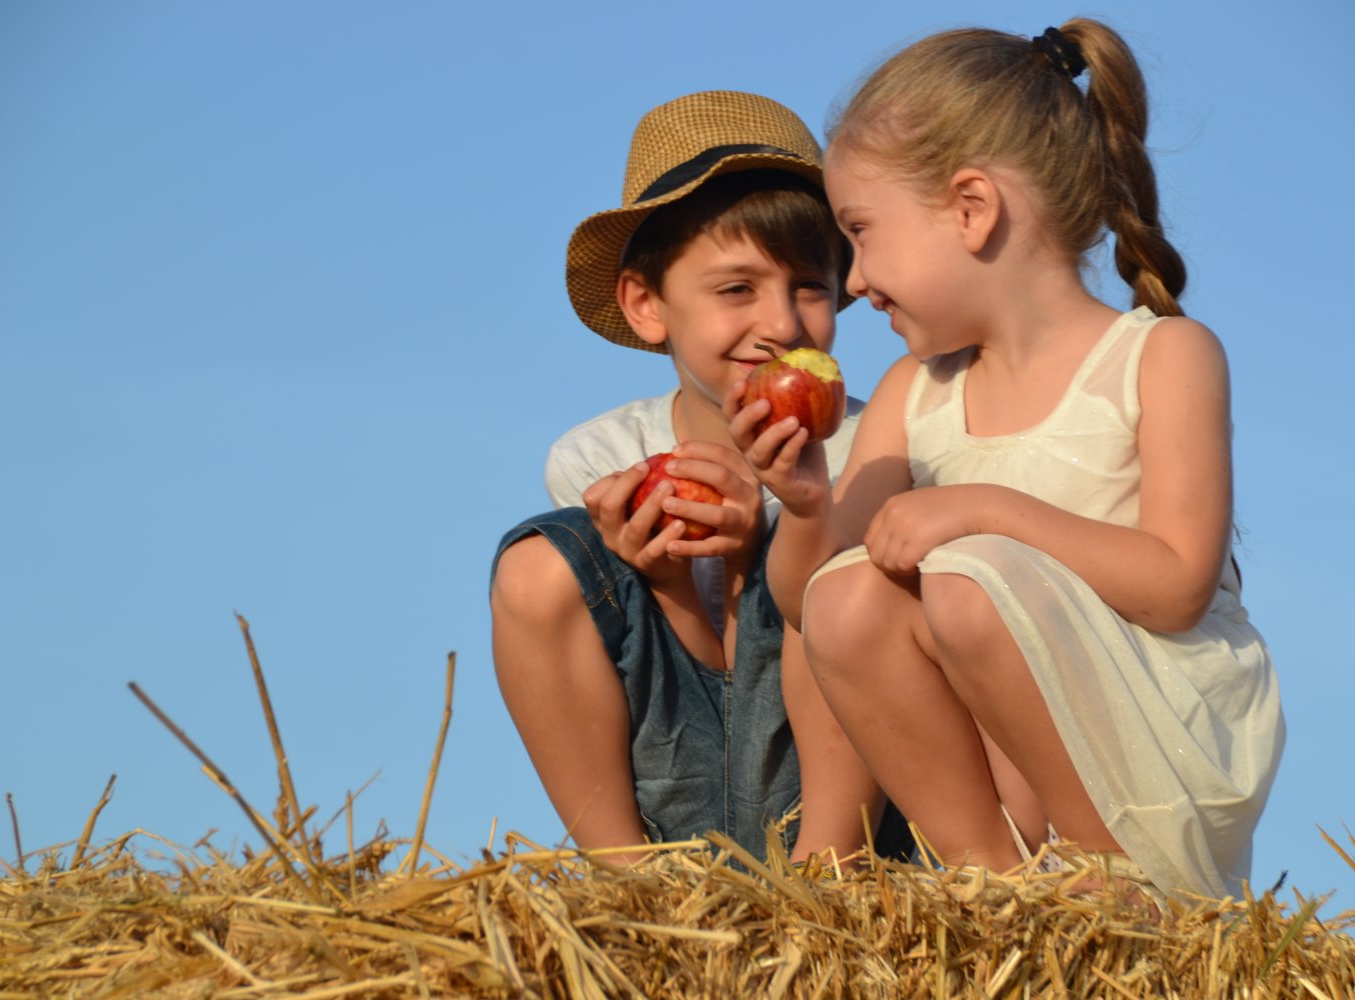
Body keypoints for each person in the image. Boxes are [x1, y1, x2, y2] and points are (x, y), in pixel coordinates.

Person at [730, 22, 1285, 899]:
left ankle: (1112, 874)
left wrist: (984, 508)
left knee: (967, 575)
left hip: (1155, 749)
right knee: (850, 591)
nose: (856, 280)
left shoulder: (1162, 357)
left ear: (972, 208)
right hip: (1012, 747)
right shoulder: (915, 389)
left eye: (863, 233)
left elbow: (1178, 583)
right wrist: (803, 505)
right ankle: (988, 879)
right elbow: (810, 608)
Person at [489, 90, 908, 864]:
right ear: (647, 305)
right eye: (737, 289)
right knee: (539, 568)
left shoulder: (873, 446)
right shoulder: (598, 457)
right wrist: (668, 582)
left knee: (846, 577)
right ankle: (628, 880)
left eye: (809, 286)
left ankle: (827, 892)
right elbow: (693, 692)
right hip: (682, 781)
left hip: (841, 804)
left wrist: (759, 558)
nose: (782, 324)